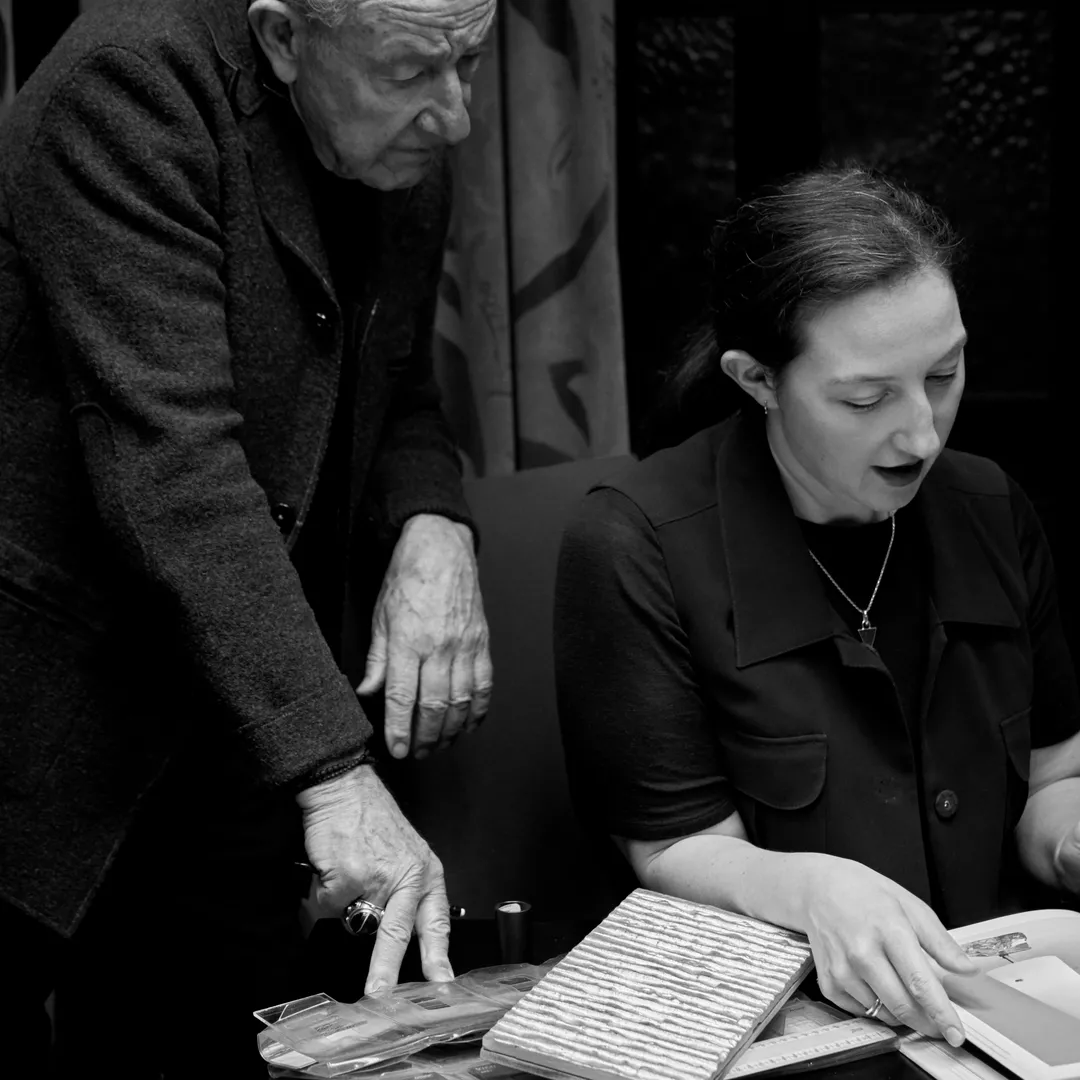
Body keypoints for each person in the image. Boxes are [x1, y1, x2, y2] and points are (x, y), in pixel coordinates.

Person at [0, 0, 495, 1074]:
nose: (453, 115)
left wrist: (432, 520)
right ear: (281, 39)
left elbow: (398, 375)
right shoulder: (125, 87)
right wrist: (334, 774)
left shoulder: (401, 119)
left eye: (470, 60)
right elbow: (171, 461)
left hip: (251, 700)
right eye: (417, 69)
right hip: (67, 703)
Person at [555, 166, 1080, 1048]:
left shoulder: (990, 507)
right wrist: (812, 890)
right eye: (866, 398)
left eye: (944, 374)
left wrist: (1070, 837)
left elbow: (1054, 779)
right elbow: (672, 849)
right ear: (758, 380)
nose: (922, 432)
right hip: (785, 1029)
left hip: (995, 1008)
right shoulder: (637, 543)